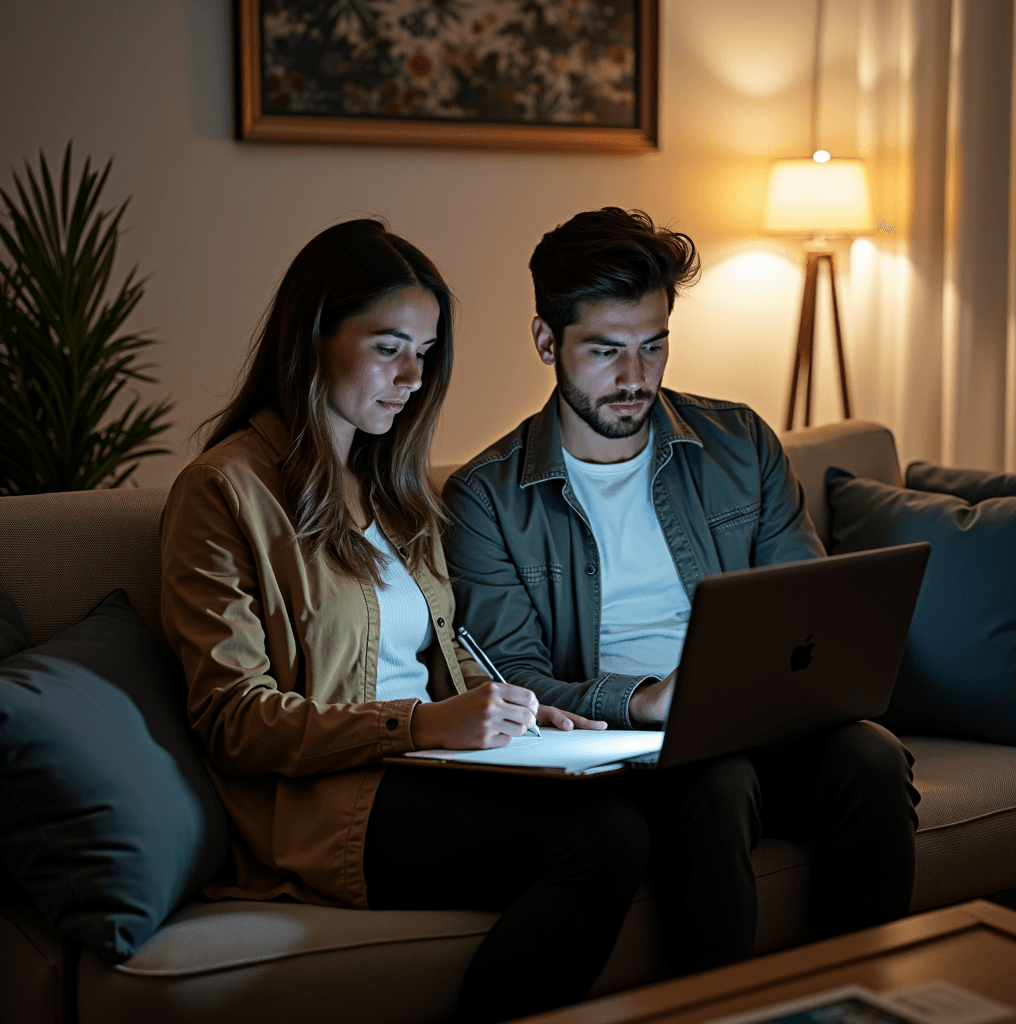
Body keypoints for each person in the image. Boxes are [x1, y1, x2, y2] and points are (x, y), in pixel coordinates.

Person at [159, 220, 650, 1024]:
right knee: (606, 840)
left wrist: (518, 714)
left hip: (430, 769)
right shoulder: (223, 493)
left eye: (424, 353)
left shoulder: (390, 489)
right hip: (330, 808)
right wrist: (420, 725)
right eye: (389, 347)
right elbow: (233, 722)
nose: (412, 377)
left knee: (659, 799)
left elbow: (437, 649)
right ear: (313, 335)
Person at [442, 207, 921, 975]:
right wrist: (639, 702)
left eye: (653, 346)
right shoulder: (488, 498)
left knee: (872, 757)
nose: (635, 378)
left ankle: (861, 994)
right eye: (605, 351)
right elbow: (510, 675)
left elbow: (809, 606)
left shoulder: (740, 443)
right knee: (716, 778)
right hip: (633, 747)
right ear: (546, 342)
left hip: (764, 721)